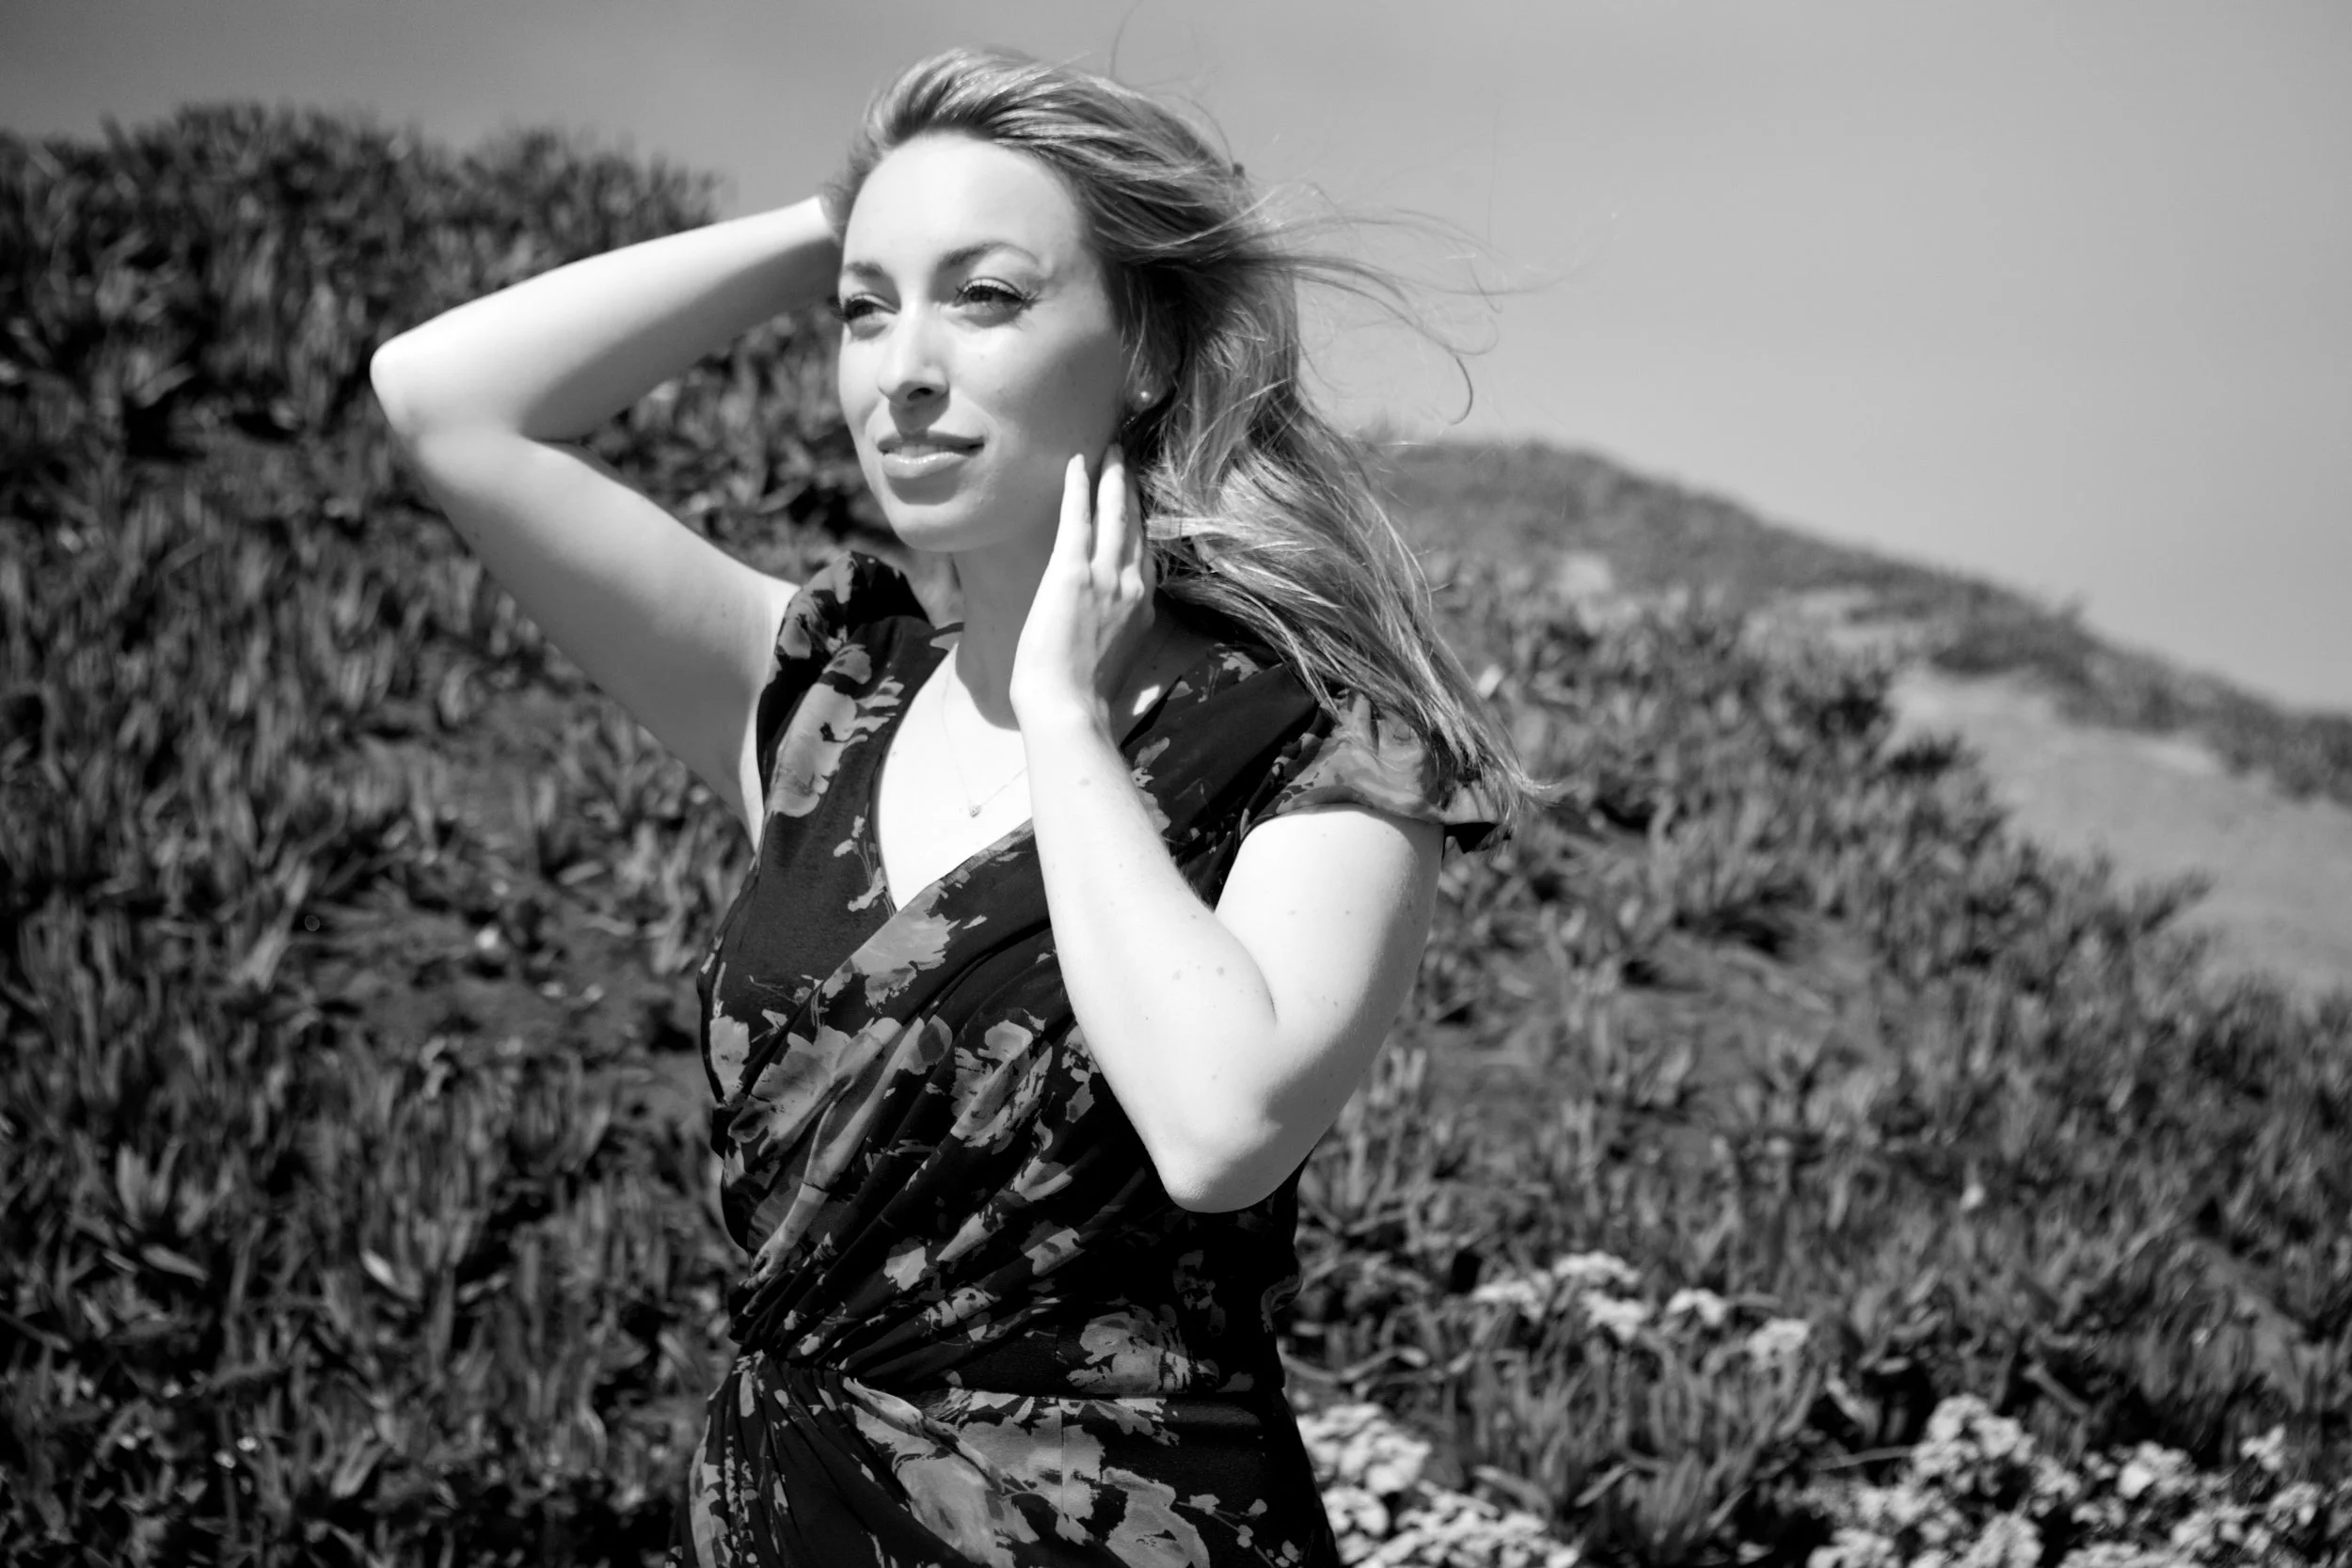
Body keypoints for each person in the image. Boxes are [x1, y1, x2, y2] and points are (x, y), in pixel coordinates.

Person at [371, 43, 1557, 1568]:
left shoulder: (1320, 741)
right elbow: (446, 399)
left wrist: (1064, 713)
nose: (902, 370)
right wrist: (849, 213)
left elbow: (1219, 1127)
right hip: (788, 1516)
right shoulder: (828, 704)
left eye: (986, 298)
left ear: (1143, 350)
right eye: (866, 312)